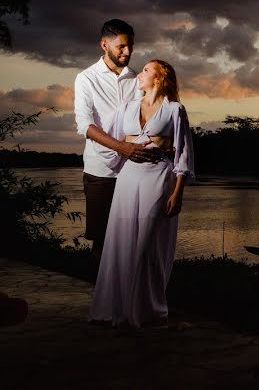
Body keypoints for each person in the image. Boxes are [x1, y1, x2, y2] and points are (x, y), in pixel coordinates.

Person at [89, 59, 194, 328]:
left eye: (147, 70)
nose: (140, 73)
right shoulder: (127, 107)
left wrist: (178, 192)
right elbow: (115, 141)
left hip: (158, 177)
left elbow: (183, 152)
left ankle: (148, 310)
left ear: (160, 78)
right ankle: (117, 310)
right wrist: (123, 150)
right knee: (122, 242)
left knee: (148, 244)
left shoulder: (175, 110)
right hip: (128, 178)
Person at [74, 19, 159, 265]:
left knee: (132, 240)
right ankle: (99, 297)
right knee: (101, 243)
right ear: (104, 45)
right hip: (100, 170)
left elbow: (148, 117)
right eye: (121, 46)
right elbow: (84, 125)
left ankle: (127, 296)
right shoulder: (86, 79)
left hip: (134, 170)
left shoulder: (137, 79)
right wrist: (121, 147)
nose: (128, 52)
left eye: (130, 46)